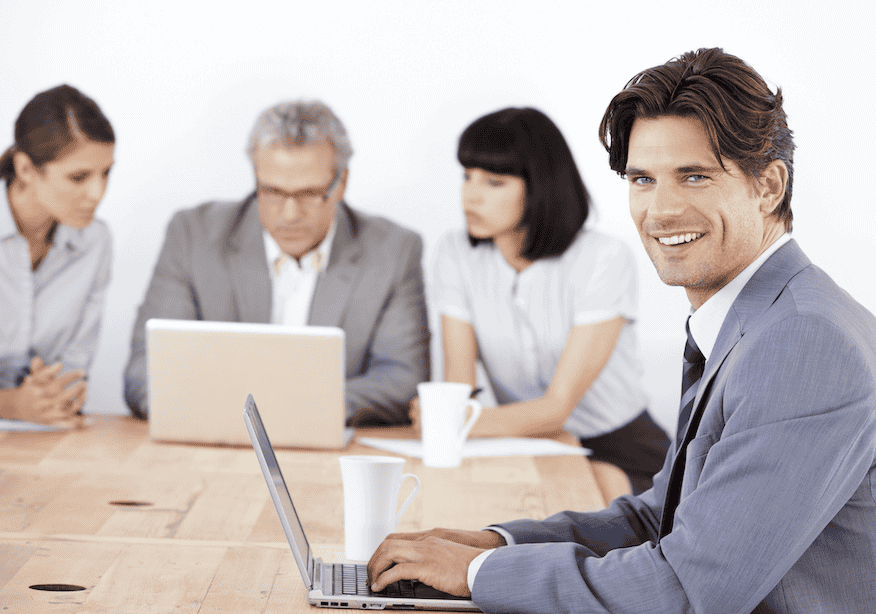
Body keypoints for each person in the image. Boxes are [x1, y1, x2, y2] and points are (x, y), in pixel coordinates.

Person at [366, 48, 876, 613]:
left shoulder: (801, 340)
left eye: (695, 176)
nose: (660, 211)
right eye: (642, 179)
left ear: (769, 187)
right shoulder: (761, 317)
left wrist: (482, 574)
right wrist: (493, 544)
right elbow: (663, 518)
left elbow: (685, 591)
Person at [124, 100, 429, 425]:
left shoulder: (393, 250)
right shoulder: (193, 236)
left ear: (340, 183)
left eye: (309, 193)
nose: (289, 214)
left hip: (329, 451)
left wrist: (285, 411)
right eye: (271, 192)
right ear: (255, 178)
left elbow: (402, 380)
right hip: (213, 446)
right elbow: (147, 371)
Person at [420, 107, 669, 497]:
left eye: (494, 182)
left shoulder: (602, 257)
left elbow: (557, 408)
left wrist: (451, 420)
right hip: (523, 446)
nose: (471, 194)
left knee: (585, 511)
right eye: (467, 177)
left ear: (538, 186)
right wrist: (452, 416)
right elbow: (459, 389)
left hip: (619, 448)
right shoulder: (455, 254)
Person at [0, 85, 115, 428]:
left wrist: (59, 394)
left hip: (43, 434)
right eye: (78, 177)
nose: (97, 193)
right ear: (25, 169)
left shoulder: (95, 241)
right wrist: (12, 404)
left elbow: (75, 363)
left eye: (106, 172)